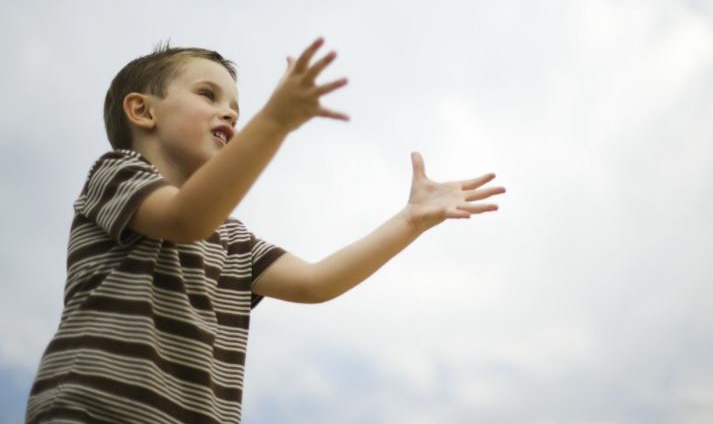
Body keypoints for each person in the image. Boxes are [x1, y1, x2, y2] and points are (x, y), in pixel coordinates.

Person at [26, 37, 505, 423]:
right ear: (143, 111)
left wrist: (410, 220)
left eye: (237, 107)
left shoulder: (233, 240)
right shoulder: (116, 174)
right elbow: (184, 219)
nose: (230, 113)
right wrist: (275, 120)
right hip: (93, 410)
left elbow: (315, 282)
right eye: (208, 94)